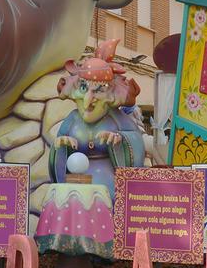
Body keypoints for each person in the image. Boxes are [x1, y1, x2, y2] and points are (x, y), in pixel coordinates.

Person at [49, 40, 145, 196]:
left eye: (98, 91)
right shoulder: (72, 119)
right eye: (83, 88)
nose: (88, 99)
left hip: (109, 192)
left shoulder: (117, 119)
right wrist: (61, 146)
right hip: (74, 189)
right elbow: (57, 157)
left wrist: (120, 141)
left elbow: (137, 145)